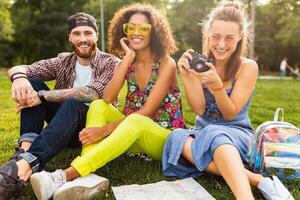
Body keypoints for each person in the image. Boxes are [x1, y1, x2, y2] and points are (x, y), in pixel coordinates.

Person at [29, 3, 186, 200]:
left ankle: (66, 175)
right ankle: (89, 177)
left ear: (154, 32)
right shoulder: (126, 63)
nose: (136, 33)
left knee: (136, 120)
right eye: (131, 28)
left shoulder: (167, 63)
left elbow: (146, 112)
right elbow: (108, 98)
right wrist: (127, 58)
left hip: (163, 137)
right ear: (124, 30)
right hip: (131, 134)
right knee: (97, 105)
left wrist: (105, 130)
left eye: (144, 28)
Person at [162, 1, 294, 200]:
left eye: (229, 38)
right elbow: (199, 109)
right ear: (208, 34)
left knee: (216, 135)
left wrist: (216, 86)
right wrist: (188, 78)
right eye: (216, 36)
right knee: (176, 137)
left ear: (240, 37)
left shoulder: (247, 67)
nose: (221, 44)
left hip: (237, 134)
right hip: (203, 131)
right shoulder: (200, 64)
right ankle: (259, 181)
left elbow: (230, 113)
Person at [0, 12, 119, 200]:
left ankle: (24, 167)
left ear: (97, 35)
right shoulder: (64, 60)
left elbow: (92, 93)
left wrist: (43, 96)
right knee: (32, 82)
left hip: (91, 131)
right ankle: (24, 153)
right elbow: (23, 68)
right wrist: (19, 78)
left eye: (88, 33)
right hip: (64, 126)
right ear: (70, 37)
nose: (83, 39)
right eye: (77, 33)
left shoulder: (111, 62)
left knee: (71, 100)